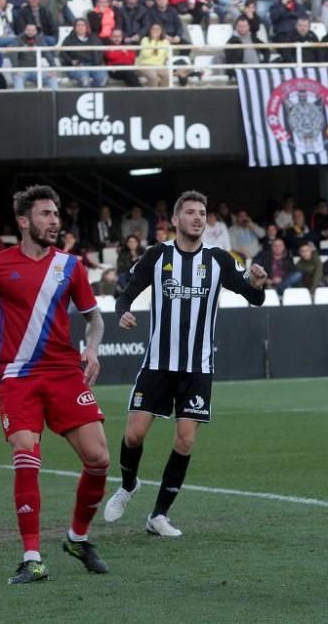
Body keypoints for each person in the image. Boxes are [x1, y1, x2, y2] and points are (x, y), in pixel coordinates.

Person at [0, 185, 109, 584]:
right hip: (17, 376)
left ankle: (77, 538)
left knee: (99, 459)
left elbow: (95, 319)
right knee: (25, 450)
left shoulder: (71, 266)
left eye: (56, 215)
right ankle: (32, 557)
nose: (54, 221)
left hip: (65, 373)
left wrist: (94, 350)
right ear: (24, 221)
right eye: (46, 214)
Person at [103, 191, 268, 537]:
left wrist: (257, 284)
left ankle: (158, 515)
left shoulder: (219, 259)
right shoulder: (157, 256)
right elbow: (125, 295)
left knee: (185, 440)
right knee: (133, 435)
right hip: (158, 363)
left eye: (202, 213)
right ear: (175, 220)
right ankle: (129, 484)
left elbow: (253, 298)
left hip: (198, 367)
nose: (197, 217)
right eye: (190, 212)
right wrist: (124, 313)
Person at [137, 22, 171, 88]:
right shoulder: (145, 40)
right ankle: (152, 96)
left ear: (161, 31)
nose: (155, 31)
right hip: (144, 65)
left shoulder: (165, 42)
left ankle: (163, 95)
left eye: (157, 29)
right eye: (153, 29)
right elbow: (145, 54)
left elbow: (168, 56)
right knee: (153, 77)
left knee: (167, 75)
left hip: (159, 66)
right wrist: (154, 41)